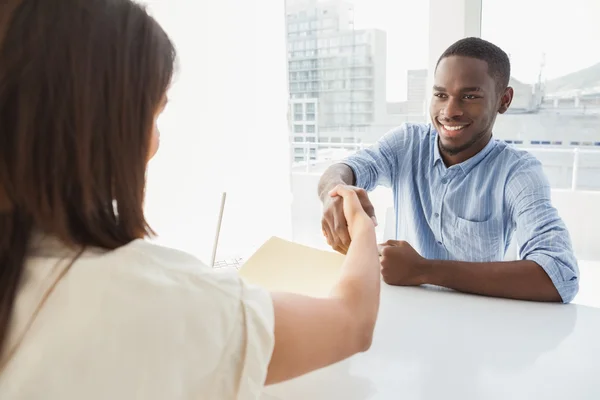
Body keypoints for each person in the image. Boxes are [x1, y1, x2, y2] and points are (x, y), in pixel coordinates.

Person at [0, 1, 381, 398]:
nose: (155, 143)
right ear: (105, 124)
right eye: (154, 115)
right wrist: (363, 226)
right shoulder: (154, 301)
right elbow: (352, 320)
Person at [318, 37, 579, 304]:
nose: (450, 111)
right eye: (441, 95)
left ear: (504, 100)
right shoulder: (407, 142)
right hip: (405, 314)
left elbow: (561, 275)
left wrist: (423, 270)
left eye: (469, 96)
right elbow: (342, 169)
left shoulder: (518, 173)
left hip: (476, 325)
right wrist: (335, 192)